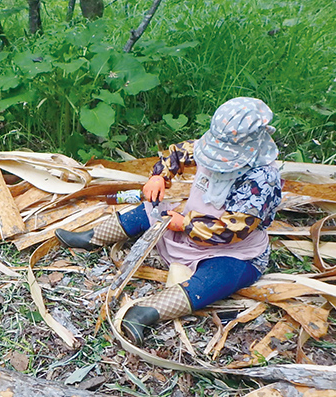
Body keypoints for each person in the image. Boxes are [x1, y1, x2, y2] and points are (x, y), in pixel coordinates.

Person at [55, 97, 283, 345]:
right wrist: (159, 176)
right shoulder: (212, 145)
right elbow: (177, 153)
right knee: (149, 210)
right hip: (183, 229)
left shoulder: (262, 179)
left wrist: (185, 225)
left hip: (231, 249)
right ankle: (92, 238)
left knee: (223, 277)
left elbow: (233, 230)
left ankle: (147, 312)